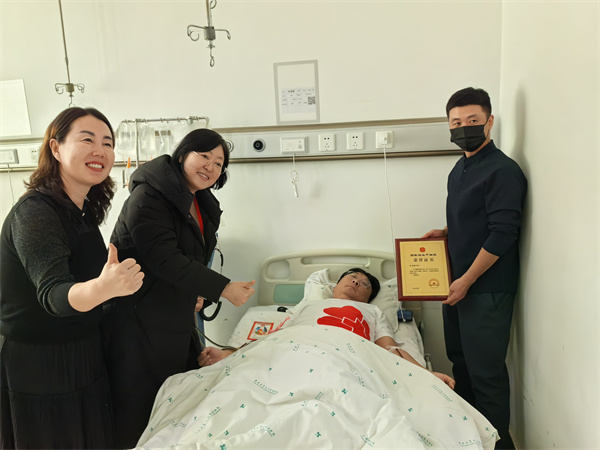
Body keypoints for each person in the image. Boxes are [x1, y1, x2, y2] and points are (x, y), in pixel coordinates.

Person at [0, 107, 144, 449]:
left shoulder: (82, 211)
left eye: (107, 143)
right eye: (87, 140)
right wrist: (104, 287)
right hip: (40, 361)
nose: (100, 151)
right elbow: (55, 295)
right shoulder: (35, 213)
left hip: (83, 349)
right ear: (55, 148)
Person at [106, 128, 256, 448]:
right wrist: (223, 288)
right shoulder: (149, 197)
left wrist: (198, 292)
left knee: (178, 400)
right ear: (183, 153)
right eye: (204, 156)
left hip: (172, 314)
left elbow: (193, 258)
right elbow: (164, 258)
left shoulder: (200, 202)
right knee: (141, 408)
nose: (210, 167)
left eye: (219, 163)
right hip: (138, 318)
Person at [423, 87, 527, 449]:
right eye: (456, 123)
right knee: (461, 366)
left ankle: (498, 445)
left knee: (486, 374)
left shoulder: (503, 170)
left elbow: (503, 232)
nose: (463, 128)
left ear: (489, 121)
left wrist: (466, 280)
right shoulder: (460, 168)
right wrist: (446, 231)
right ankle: (468, 440)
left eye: (472, 120)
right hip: (457, 285)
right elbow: (477, 217)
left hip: (485, 289)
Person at [199, 268, 455, 388]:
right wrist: (230, 353)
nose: (356, 281)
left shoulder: (372, 312)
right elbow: (273, 338)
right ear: (335, 286)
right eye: (352, 277)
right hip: (296, 348)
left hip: (346, 356)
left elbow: (390, 350)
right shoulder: (307, 306)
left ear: (368, 298)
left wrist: (426, 374)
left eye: (365, 284)